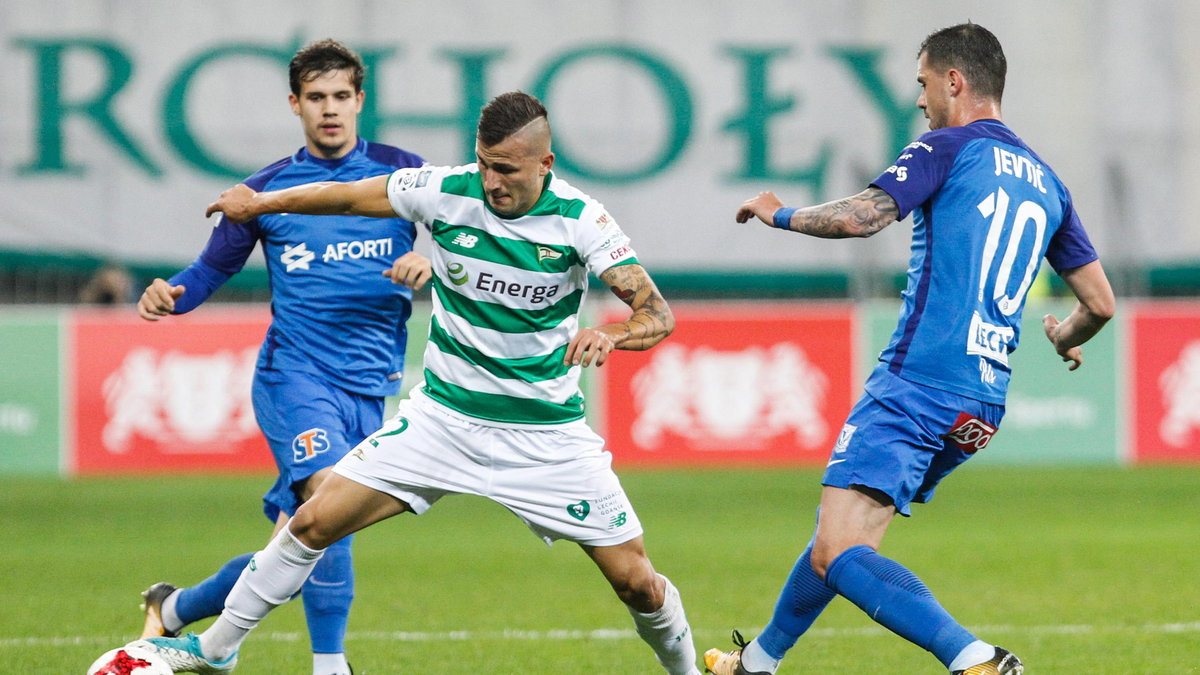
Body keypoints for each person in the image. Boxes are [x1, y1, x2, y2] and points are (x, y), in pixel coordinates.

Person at [128, 91, 701, 674]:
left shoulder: (583, 221)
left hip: (545, 438)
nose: (490, 180)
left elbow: (657, 314)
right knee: (312, 522)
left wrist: (611, 334)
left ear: (543, 165)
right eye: (483, 163)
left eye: (505, 169)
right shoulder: (445, 190)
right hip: (441, 423)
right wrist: (260, 203)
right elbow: (348, 196)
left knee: (639, 586)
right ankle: (213, 650)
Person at [703, 23, 1115, 675]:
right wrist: (1064, 336)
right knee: (839, 541)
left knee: (840, 552)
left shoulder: (946, 147)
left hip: (919, 380)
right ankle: (756, 662)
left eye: (923, 82)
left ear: (955, 80)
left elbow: (858, 217)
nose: (920, 100)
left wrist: (779, 212)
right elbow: (1100, 302)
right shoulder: (1046, 180)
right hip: (981, 403)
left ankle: (975, 659)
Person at [134, 39, 430, 675]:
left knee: (293, 548)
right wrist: (171, 294)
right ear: (295, 105)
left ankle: (177, 609)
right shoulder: (265, 190)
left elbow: (472, 246)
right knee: (333, 505)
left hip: (370, 384)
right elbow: (211, 269)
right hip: (294, 375)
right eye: (316, 98)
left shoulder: (407, 175)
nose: (330, 110)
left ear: (360, 101)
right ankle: (330, 664)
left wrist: (433, 262)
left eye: (341, 97)